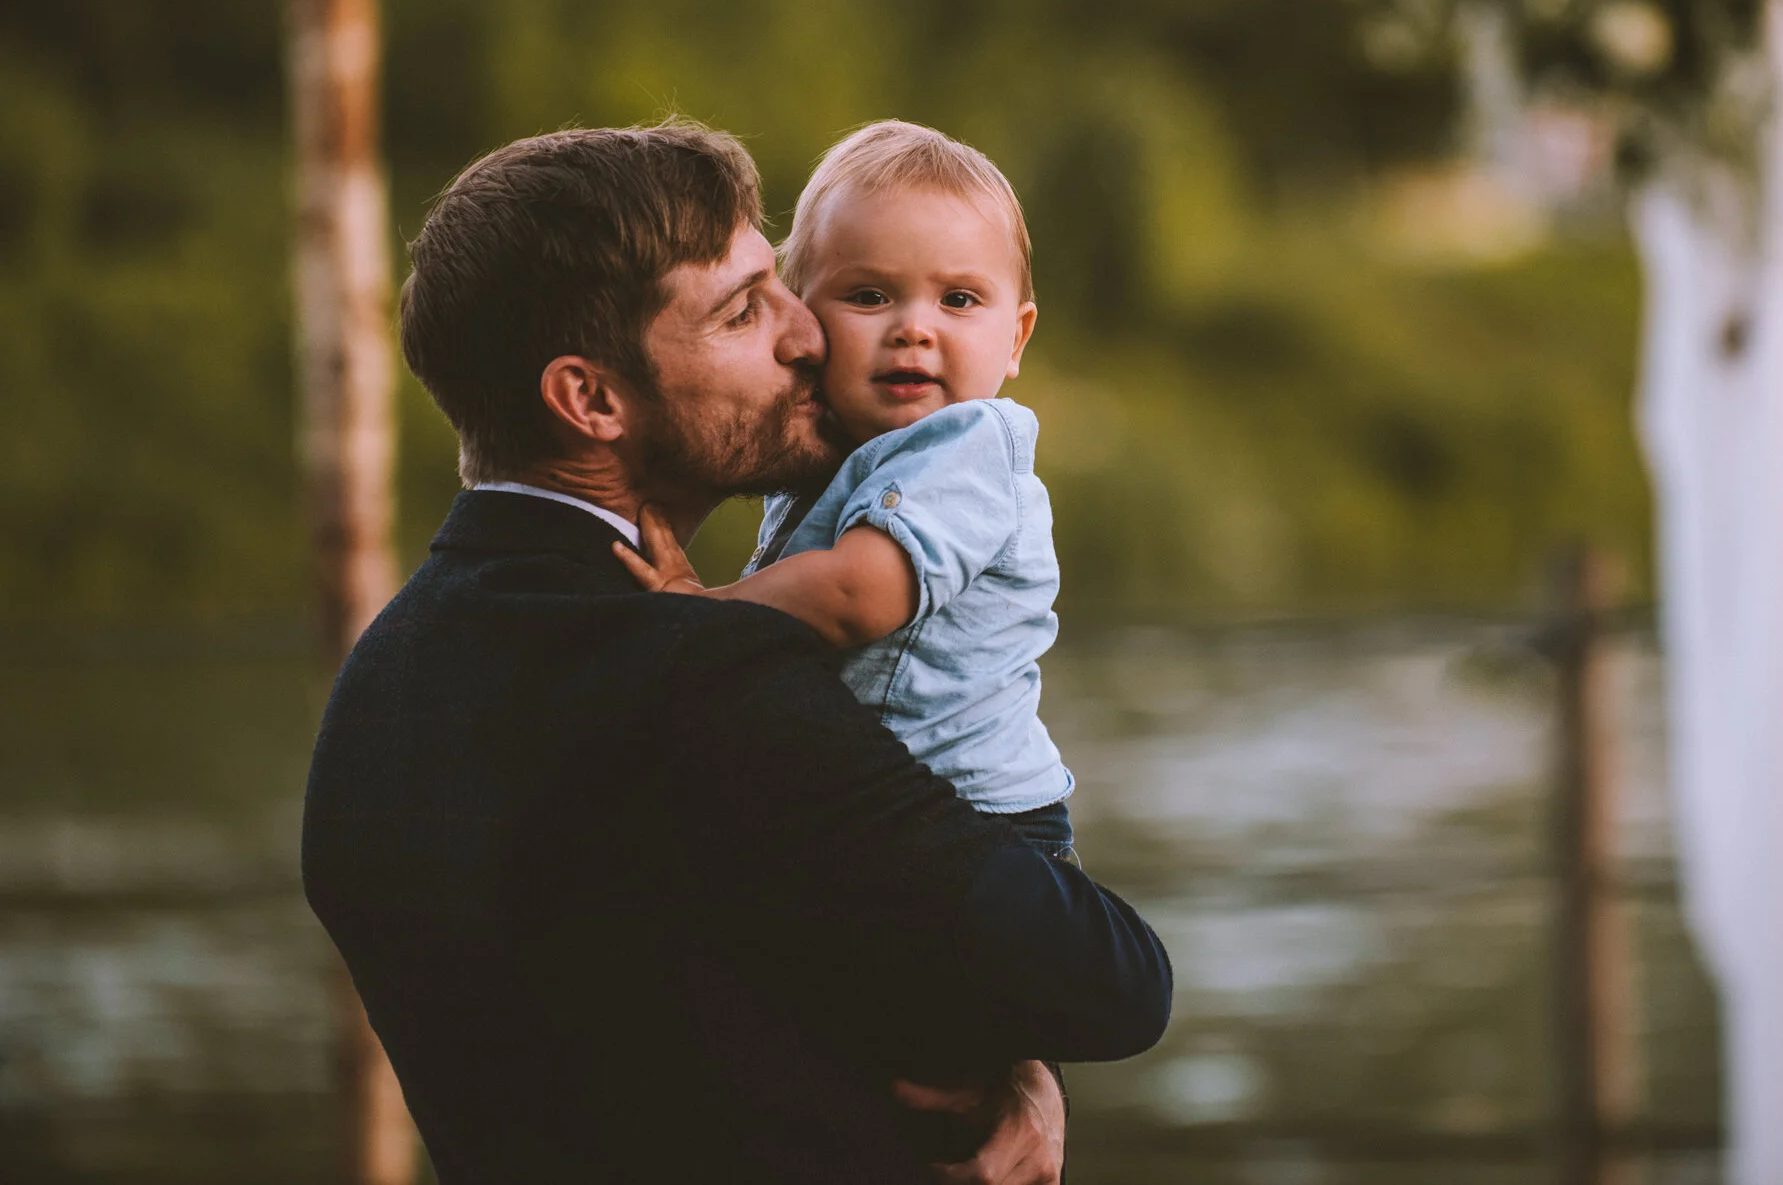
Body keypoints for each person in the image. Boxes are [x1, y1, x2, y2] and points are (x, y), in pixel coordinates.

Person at [299, 121, 1169, 1184]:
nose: (806, 336)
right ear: (593, 399)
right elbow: (1114, 983)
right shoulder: (694, 674)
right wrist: (1017, 1046)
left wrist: (1001, 1055)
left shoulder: (382, 686)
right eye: (744, 309)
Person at [618, 122, 1079, 865]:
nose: (914, 329)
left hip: (981, 824)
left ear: (1016, 338)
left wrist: (701, 611)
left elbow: (857, 594)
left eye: (959, 299)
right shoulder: (836, 449)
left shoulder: (968, 445)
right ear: (803, 311)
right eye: (869, 295)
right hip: (886, 808)